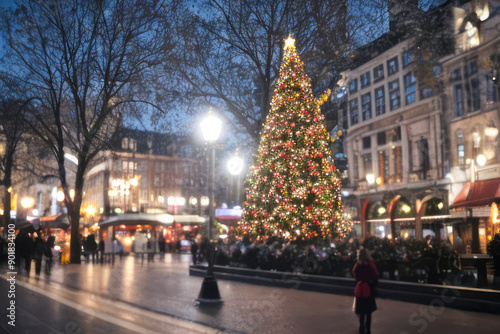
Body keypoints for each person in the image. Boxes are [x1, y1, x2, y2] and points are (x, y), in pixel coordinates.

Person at [353, 248, 378, 334]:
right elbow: (375, 276)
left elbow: (355, 275)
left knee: (361, 311)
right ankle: (368, 329)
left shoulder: (357, 265)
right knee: (368, 311)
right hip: (368, 288)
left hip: (360, 288)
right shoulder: (370, 265)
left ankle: (361, 326)